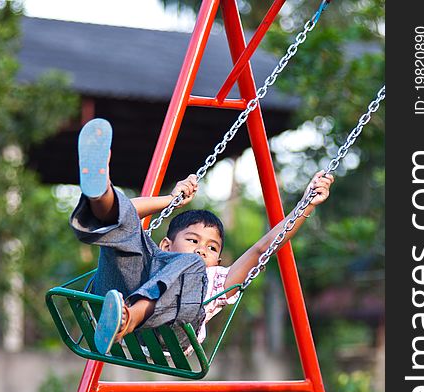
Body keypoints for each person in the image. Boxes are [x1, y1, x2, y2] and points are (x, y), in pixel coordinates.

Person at [70, 118, 334, 355]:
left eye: (211, 248)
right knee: (127, 227)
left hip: (170, 333)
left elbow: (261, 248)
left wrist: (306, 205)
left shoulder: (217, 280)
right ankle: (100, 195)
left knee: (191, 265)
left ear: (219, 260)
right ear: (166, 245)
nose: (202, 250)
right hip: (116, 302)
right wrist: (171, 200)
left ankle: (128, 319)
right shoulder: (154, 257)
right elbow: (130, 218)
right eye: (193, 240)